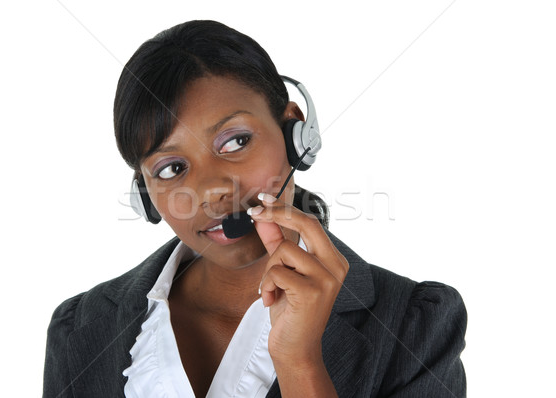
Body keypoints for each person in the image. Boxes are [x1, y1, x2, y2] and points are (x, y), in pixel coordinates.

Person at [43, 20, 467, 398]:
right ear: (145, 194)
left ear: (295, 133)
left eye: (235, 141)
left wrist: (300, 363)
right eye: (171, 168)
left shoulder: (416, 328)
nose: (211, 191)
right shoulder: (80, 329)